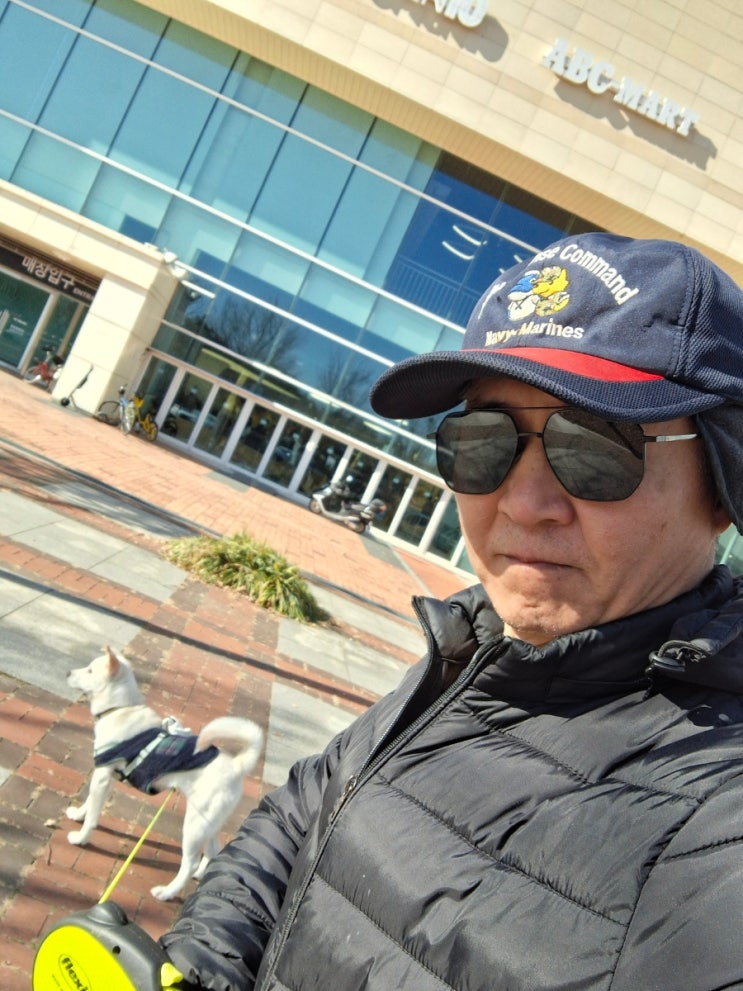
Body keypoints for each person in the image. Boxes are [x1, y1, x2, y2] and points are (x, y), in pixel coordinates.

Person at [160, 232, 743, 990]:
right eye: (482, 441)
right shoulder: (473, 648)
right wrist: (200, 967)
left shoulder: (719, 829)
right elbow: (306, 808)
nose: (521, 503)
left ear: (724, 484)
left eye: (597, 446)